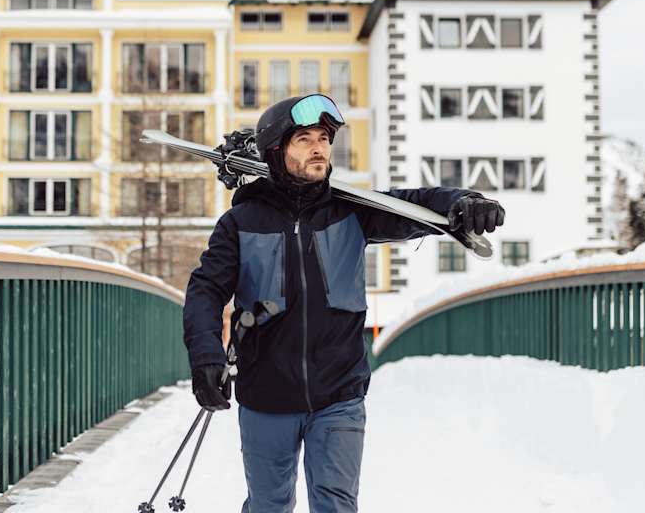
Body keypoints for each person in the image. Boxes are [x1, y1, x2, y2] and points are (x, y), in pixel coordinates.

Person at [183, 93, 505, 512]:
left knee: (336, 505)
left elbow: (416, 204)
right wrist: (205, 355)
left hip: (339, 396)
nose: (319, 148)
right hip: (266, 396)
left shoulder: (351, 212)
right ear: (276, 151)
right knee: (268, 506)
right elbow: (205, 290)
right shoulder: (240, 224)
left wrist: (463, 201)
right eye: (304, 139)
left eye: (324, 138)